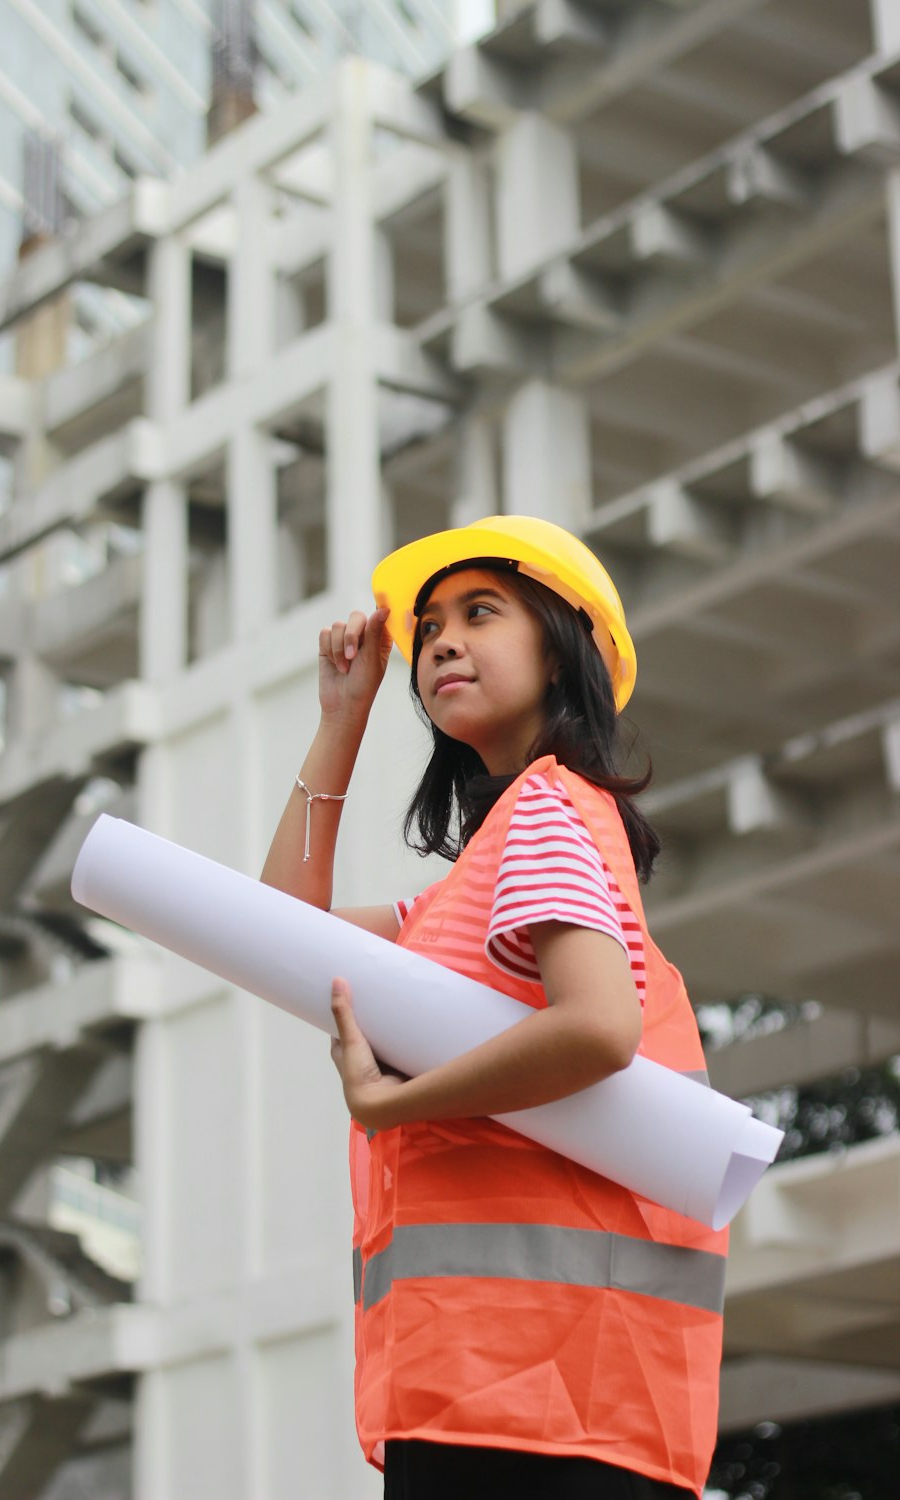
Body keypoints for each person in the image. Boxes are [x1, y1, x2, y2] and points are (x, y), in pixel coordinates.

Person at [261, 516, 726, 1500]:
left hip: (544, 1409)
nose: (441, 643)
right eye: (428, 627)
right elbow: (277, 933)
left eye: (481, 613)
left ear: (563, 654)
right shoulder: (474, 879)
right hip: (511, 1394)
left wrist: (395, 1104)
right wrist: (343, 717)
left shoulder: (549, 811)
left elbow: (597, 1026)